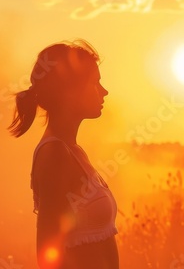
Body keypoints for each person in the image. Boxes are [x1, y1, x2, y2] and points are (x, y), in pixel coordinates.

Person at [7, 39, 119, 268]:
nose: (104, 91)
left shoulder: (74, 151)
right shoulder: (55, 154)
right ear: (70, 91)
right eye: (95, 83)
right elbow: (48, 249)